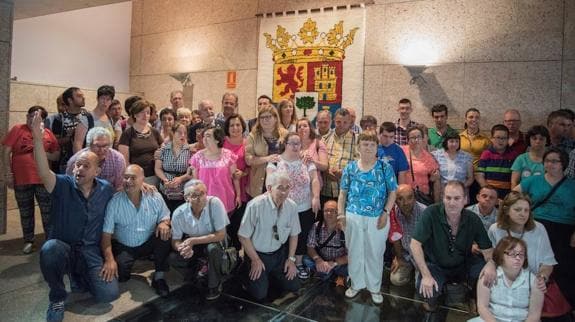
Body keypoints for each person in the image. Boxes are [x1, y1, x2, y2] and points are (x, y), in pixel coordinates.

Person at [30, 111, 119, 321]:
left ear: (98, 171)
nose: (79, 169)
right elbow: (43, 172)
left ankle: (79, 275)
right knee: (50, 249)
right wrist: (36, 137)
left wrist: (142, 186)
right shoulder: (62, 184)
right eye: (78, 165)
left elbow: (123, 196)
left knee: (109, 294)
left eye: (86, 166)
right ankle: (57, 296)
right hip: (64, 247)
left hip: (89, 250)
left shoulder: (106, 189)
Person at [410, 181, 493, 311]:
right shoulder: (431, 213)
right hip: (436, 265)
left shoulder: (473, 219)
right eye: (448, 198)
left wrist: (491, 266)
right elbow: (415, 244)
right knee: (426, 291)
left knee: (485, 272)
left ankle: (473, 296)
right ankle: (439, 295)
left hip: (463, 264)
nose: (452, 202)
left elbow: (488, 251)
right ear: (443, 198)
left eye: (457, 198)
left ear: (465, 199)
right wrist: (426, 275)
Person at [337, 130, 397, 304]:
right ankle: (356, 284)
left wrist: (386, 212)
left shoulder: (385, 167)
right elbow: (342, 193)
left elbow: (393, 192)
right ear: (358, 147)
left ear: (377, 147)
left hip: (377, 217)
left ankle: (374, 287)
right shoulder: (350, 168)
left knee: (375, 252)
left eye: (372, 144)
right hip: (353, 215)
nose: (369, 147)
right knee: (354, 251)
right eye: (365, 144)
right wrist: (341, 214)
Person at [514, 147, 575, 306]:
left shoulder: (572, 185)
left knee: (563, 266)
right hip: (536, 226)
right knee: (533, 262)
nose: (550, 164)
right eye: (547, 161)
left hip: (564, 229)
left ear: (563, 164)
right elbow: (514, 195)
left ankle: (563, 305)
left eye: (555, 161)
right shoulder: (534, 180)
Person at [101, 165, 172, 297]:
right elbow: (106, 235)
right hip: (125, 246)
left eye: (133, 178)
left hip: (148, 241)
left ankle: (159, 277)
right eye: (126, 177)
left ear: (142, 180)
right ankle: (129, 263)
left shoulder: (154, 196)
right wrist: (109, 260)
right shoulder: (114, 202)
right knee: (122, 276)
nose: (128, 181)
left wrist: (164, 223)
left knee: (165, 234)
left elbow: (165, 215)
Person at [3, 105, 59, 254]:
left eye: (37, 116)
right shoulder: (17, 129)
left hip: (43, 179)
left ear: (43, 120)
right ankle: (29, 240)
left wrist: (42, 152)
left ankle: (50, 241)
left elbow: (56, 155)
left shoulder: (47, 133)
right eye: (30, 115)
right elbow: (6, 151)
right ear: (27, 117)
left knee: (48, 212)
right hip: (22, 178)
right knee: (25, 211)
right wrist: (8, 174)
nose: (32, 119)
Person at [238, 171, 301, 302]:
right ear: (269, 188)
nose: (284, 192)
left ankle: (269, 275)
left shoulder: (292, 206)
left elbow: (294, 234)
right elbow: (243, 236)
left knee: (294, 285)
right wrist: (255, 260)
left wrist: (291, 259)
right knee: (259, 294)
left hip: (279, 254)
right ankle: (245, 269)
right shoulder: (255, 205)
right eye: (280, 188)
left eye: (287, 188)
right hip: (258, 254)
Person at [267, 132, 320, 279]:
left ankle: (298, 263)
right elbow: (269, 181)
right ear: (285, 144)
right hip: (282, 207)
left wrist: (316, 197)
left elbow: (315, 180)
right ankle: (282, 263)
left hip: (304, 207)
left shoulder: (307, 161)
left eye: (298, 143)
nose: (296, 146)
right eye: (292, 143)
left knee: (302, 235)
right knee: (282, 234)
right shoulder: (276, 161)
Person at [484, 192, 556, 293]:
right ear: (507, 210)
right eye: (517, 210)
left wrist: (542, 278)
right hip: (502, 281)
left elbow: (548, 263)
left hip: (531, 283)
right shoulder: (495, 229)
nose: (523, 214)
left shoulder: (539, 229)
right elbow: (492, 258)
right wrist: (490, 266)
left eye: (526, 210)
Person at [171, 180, 230, 300]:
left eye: (203, 194)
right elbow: (175, 240)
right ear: (186, 198)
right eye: (195, 195)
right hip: (194, 242)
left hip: (214, 240)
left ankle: (214, 285)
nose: (200, 198)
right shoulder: (179, 213)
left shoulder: (215, 203)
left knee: (212, 250)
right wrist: (183, 248)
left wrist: (193, 241)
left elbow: (221, 235)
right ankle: (198, 271)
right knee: (173, 258)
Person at [473, 236, 544, 322]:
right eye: (513, 254)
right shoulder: (488, 275)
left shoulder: (533, 280)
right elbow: (482, 307)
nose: (518, 258)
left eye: (521, 254)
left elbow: (534, 315)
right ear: (501, 255)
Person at [189, 126, 241, 214]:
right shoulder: (197, 157)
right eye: (204, 136)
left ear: (217, 139)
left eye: (208, 136)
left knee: (223, 226)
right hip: (204, 201)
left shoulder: (228, 155)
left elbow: (235, 177)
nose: (204, 139)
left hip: (225, 198)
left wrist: (238, 195)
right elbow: (195, 182)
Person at [245, 105, 288, 198]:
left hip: (281, 180)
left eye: (268, 117)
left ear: (275, 118)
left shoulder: (285, 134)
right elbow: (248, 160)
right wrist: (267, 159)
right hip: (259, 182)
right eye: (262, 117)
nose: (265, 120)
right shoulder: (253, 136)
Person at [388, 184, 426, 287]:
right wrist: (399, 258)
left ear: (414, 198)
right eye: (400, 199)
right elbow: (395, 238)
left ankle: (418, 275)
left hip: (423, 257)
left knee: (422, 287)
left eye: (409, 197)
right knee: (396, 279)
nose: (405, 203)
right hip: (406, 255)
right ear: (395, 200)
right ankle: (411, 272)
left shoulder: (425, 213)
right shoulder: (393, 213)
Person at [118, 99, 163, 185]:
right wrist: (136, 179)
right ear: (135, 114)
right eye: (142, 112)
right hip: (136, 179)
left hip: (155, 176)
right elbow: (125, 162)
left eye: (148, 112)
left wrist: (160, 153)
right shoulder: (127, 134)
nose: (145, 115)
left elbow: (164, 150)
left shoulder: (155, 132)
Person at [49, 87, 92, 173]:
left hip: (86, 161)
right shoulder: (60, 119)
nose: (83, 98)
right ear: (70, 100)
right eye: (79, 96)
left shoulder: (88, 116)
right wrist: (71, 136)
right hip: (65, 163)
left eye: (82, 95)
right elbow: (55, 142)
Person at [223, 114, 249, 249]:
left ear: (243, 127)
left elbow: (253, 166)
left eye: (238, 125)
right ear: (227, 128)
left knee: (238, 225)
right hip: (225, 188)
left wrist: (243, 173)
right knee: (226, 226)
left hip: (243, 189)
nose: (235, 128)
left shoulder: (248, 143)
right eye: (231, 125)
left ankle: (237, 256)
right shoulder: (222, 143)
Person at [321, 108, 359, 203]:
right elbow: (319, 160)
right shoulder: (324, 139)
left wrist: (343, 173)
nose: (341, 125)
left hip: (347, 192)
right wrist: (325, 170)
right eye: (338, 122)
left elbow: (359, 164)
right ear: (334, 121)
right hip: (326, 190)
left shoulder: (357, 139)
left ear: (350, 122)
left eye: (345, 122)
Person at [305, 200, 348, 282]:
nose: (329, 213)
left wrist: (334, 263)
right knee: (305, 259)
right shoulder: (316, 226)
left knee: (352, 266)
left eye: (332, 211)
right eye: (326, 211)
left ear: (338, 213)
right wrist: (318, 260)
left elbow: (352, 255)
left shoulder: (345, 229)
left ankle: (326, 273)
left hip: (339, 263)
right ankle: (328, 273)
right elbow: (310, 247)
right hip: (322, 260)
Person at [155, 122, 192, 213]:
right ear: (173, 133)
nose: (183, 135)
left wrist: (181, 178)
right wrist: (165, 180)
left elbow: (191, 172)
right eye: (179, 132)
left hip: (183, 191)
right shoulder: (163, 150)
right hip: (165, 189)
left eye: (185, 133)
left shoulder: (190, 151)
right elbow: (158, 168)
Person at [476, 124, 520, 199]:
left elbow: (516, 178)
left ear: (508, 139)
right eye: (498, 138)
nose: (501, 141)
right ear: (492, 139)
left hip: (506, 195)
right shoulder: (486, 154)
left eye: (504, 138)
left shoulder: (514, 155)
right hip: (489, 195)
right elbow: (479, 175)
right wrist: (488, 192)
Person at [402, 126, 441, 203]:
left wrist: (437, 204)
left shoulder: (428, 157)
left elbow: (436, 179)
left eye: (418, 137)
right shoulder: (401, 151)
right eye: (412, 137)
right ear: (408, 140)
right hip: (405, 196)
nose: (416, 140)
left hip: (421, 196)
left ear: (423, 139)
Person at [431, 132, 474, 197]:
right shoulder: (437, 155)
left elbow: (470, 178)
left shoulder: (466, 157)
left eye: (457, 141)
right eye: (451, 141)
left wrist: (460, 187)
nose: (454, 144)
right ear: (446, 142)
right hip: (442, 192)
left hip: (460, 192)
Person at [76, 85, 115, 154]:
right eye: (102, 98)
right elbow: (78, 144)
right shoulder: (86, 118)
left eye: (108, 99)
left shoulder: (110, 119)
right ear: (97, 98)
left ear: (111, 101)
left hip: (107, 160)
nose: (105, 102)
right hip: (90, 159)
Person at [297, 117, 328, 189]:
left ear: (310, 128)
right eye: (299, 127)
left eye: (305, 126)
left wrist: (312, 161)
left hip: (313, 187)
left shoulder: (318, 143)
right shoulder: (293, 144)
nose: (302, 128)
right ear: (296, 130)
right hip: (296, 187)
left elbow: (324, 166)